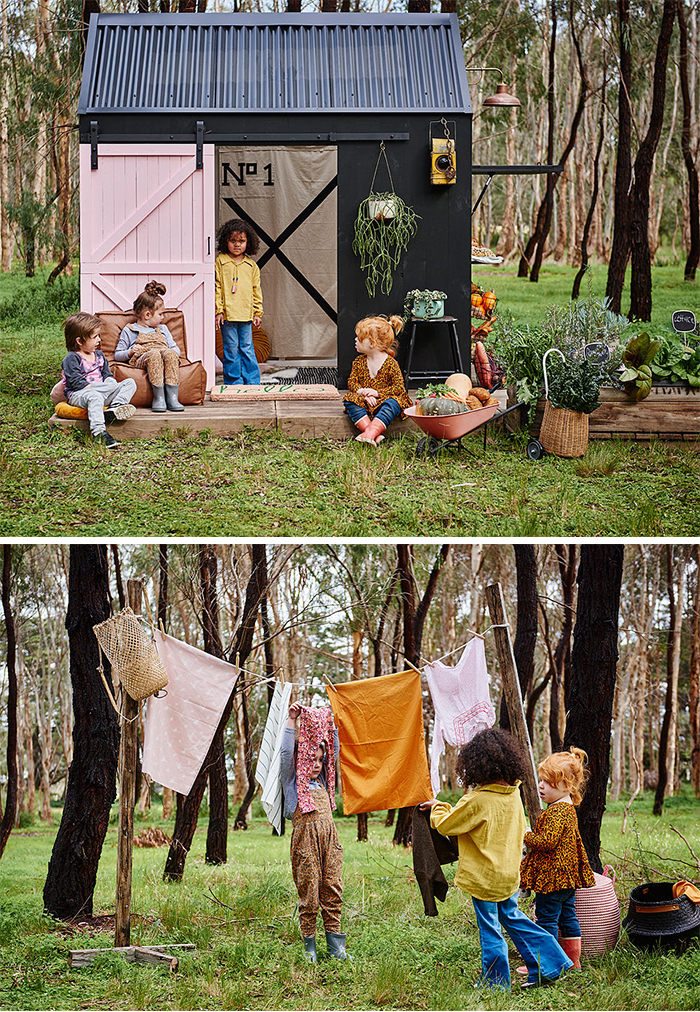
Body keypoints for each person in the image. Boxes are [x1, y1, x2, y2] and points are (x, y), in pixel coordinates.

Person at [420, 728, 573, 990]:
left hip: (485, 879)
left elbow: (447, 825)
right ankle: (551, 963)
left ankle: (496, 983)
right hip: (509, 875)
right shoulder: (514, 794)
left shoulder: (477, 800)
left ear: (475, 767)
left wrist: (438, 806)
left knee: (490, 928)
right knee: (513, 918)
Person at [280, 700, 347, 963]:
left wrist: (335, 723)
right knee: (309, 893)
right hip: (305, 842)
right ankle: (310, 948)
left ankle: (336, 947)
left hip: (330, 842)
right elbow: (287, 755)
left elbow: (335, 751)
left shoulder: (324, 783)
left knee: (332, 887)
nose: (316, 764)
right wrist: (292, 720)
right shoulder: (292, 783)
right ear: (301, 759)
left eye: (320, 760)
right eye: (311, 759)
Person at [519, 747, 595, 971]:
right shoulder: (568, 809)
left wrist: (526, 835)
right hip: (567, 878)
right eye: (541, 780)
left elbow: (547, 842)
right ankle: (572, 962)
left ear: (566, 786)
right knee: (567, 917)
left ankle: (547, 963)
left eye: (548, 782)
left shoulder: (556, 811)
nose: (541, 786)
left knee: (546, 919)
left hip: (553, 878)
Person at [61, 312, 136, 449]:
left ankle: (114, 409)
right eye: (95, 337)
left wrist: (109, 384)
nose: (99, 340)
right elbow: (77, 384)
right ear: (79, 341)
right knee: (96, 396)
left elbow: (107, 374)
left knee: (130, 383)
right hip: (80, 395)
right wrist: (105, 387)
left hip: (103, 393)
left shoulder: (99, 355)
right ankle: (99, 434)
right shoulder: (72, 358)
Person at [115, 281, 184, 413]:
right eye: (160, 314)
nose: (163, 317)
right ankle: (159, 397)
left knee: (168, 353)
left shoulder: (163, 329)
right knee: (154, 354)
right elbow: (117, 354)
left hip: (163, 355)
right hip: (144, 357)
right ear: (147, 315)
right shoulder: (130, 330)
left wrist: (169, 353)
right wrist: (129, 352)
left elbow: (176, 349)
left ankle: (172, 397)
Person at [343, 315, 412, 445]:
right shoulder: (359, 362)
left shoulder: (391, 364)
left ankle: (369, 433)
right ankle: (373, 434)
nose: (355, 340)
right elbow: (352, 382)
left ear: (372, 343)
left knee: (393, 403)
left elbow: (399, 387)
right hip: (366, 400)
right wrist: (363, 392)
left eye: (360, 338)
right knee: (349, 400)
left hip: (384, 399)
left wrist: (377, 393)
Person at [214, 218, 263, 386]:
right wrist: (218, 310)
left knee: (247, 349)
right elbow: (217, 287)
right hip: (228, 316)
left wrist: (258, 312)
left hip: (246, 316)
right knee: (231, 350)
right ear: (225, 241)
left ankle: (252, 382)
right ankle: (234, 382)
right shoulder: (220, 262)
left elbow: (257, 290)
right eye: (233, 240)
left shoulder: (251, 266)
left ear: (248, 242)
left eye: (241, 241)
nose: (237, 245)